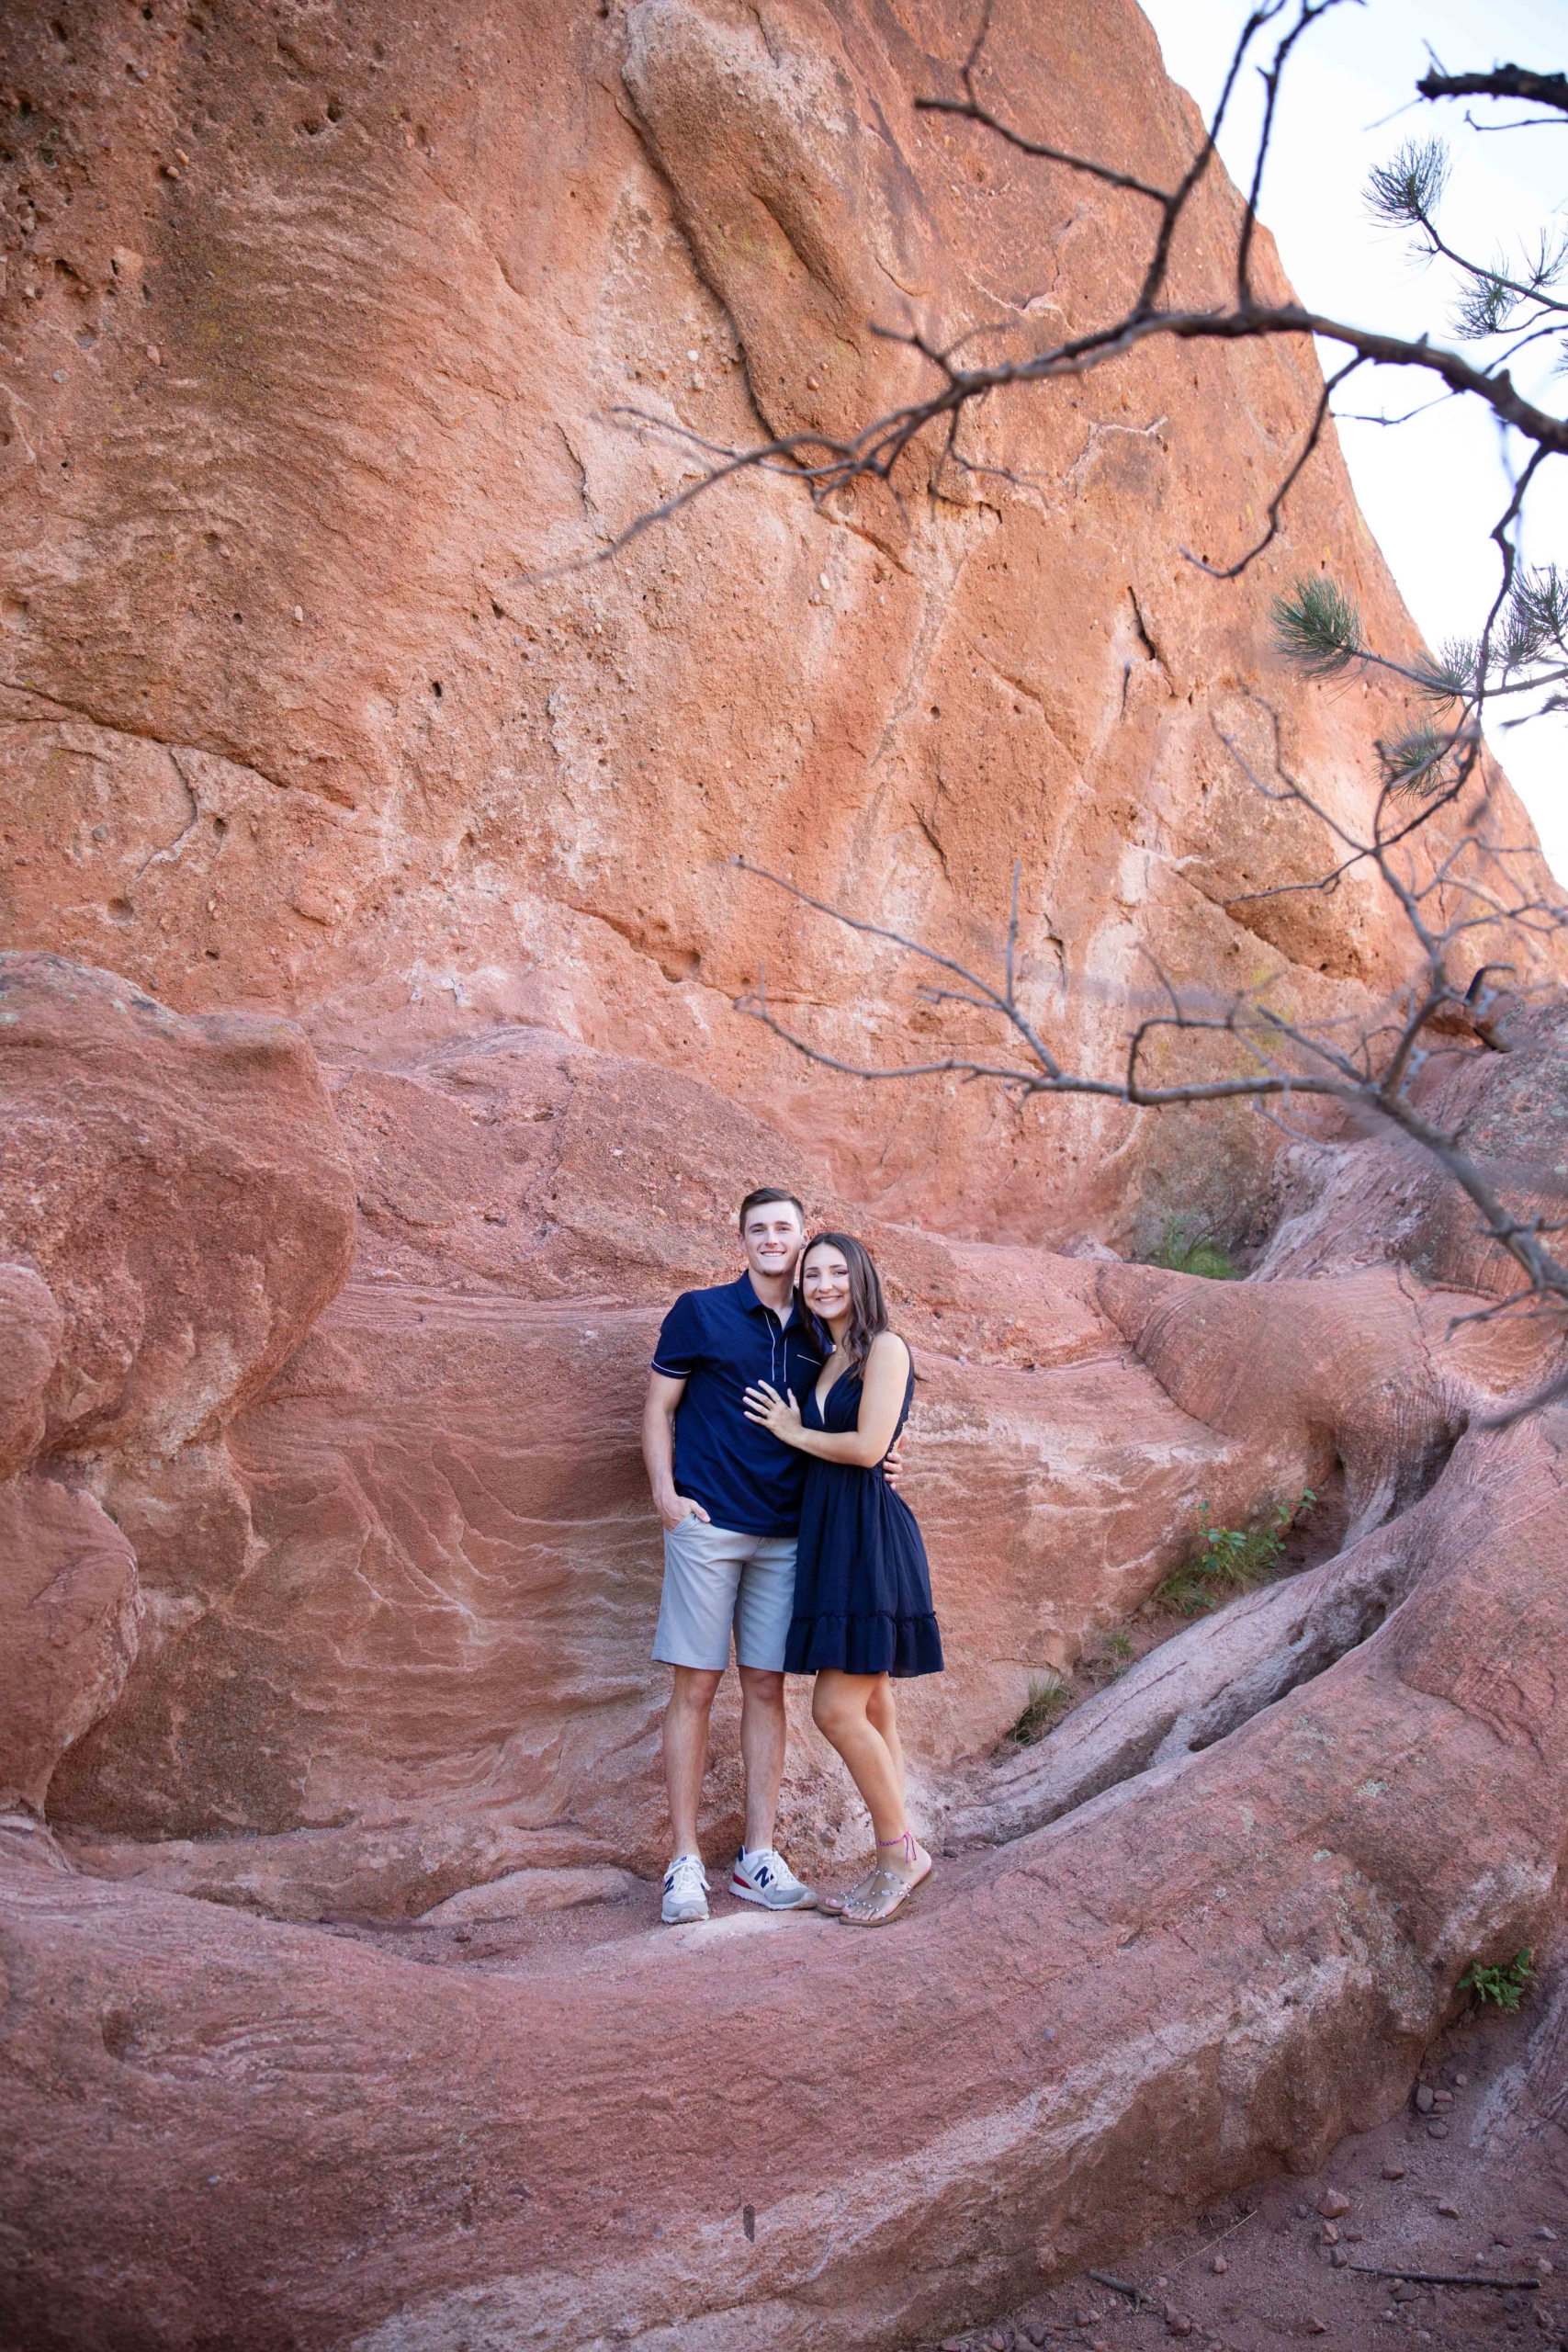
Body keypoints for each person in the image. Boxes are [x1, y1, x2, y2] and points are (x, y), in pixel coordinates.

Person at [643, 1189, 842, 1926]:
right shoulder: (700, 1311)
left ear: (800, 1239)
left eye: (782, 1228)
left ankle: (758, 1856)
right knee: (693, 1687)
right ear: (741, 1240)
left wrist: (887, 1458)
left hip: (786, 1534)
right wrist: (666, 1495)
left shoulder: (822, 1329)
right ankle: (684, 1863)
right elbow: (658, 1406)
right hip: (708, 1524)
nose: (770, 1239)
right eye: (757, 1229)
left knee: (766, 1688)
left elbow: (863, 1407)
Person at [743, 1231, 942, 1928]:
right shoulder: (832, 1356)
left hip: (869, 1538)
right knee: (875, 1701)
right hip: (834, 1536)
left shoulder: (884, 1346)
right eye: (812, 1275)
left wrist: (792, 1432)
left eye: (836, 1272)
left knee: (835, 1708)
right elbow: (873, 1439)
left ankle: (897, 1855)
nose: (823, 1284)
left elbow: (864, 1450)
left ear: (861, 1278)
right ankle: (902, 1842)